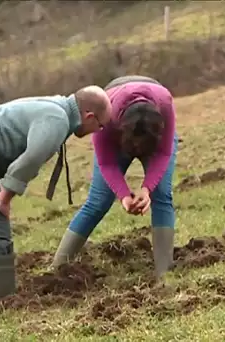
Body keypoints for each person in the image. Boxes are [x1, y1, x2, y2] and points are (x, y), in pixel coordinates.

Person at [0, 85, 112, 306]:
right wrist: (5, 196)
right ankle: (2, 306)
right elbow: (32, 158)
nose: (99, 131)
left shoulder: (56, 106)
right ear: (89, 116)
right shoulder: (57, 119)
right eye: (100, 125)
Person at [51, 75, 178, 280]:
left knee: (162, 195)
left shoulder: (164, 104)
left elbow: (163, 153)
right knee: (98, 202)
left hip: (152, 126)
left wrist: (147, 189)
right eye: (134, 146)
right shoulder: (106, 114)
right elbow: (107, 163)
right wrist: (124, 196)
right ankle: (58, 268)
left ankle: (164, 272)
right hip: (117, 123)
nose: (138, 150)